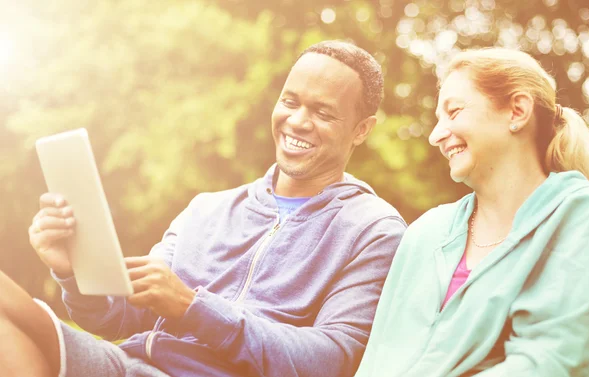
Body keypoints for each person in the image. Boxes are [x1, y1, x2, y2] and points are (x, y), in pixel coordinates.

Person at [0, 40, 406, 377]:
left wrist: (194, 309)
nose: (297, 121)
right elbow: (117, 319)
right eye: (290, 101)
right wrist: (72, 270)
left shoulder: (374, 231)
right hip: (133, 366)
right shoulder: (207, 210)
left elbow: (334, 359)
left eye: (323, 112)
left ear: (361, 130)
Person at [355, 48, 589, 377]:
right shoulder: (424, 234)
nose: (436, 135)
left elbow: (553, 359)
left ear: (517, 111)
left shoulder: (583, 216)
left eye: (453, 112)